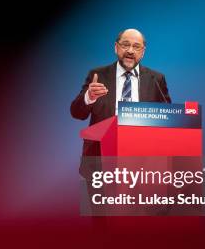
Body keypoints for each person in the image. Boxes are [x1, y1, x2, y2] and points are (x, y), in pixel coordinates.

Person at [70, 28, 171, 177]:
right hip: (100, 160)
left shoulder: (156, 79)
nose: (130, 50)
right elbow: (77, 113)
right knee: (101, 201)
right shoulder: (98, 75)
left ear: (143, 52)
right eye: (125, 45)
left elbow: (167, 119)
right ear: (116, 47)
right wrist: (89, 96)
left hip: (142, 164)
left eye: (136, 47)